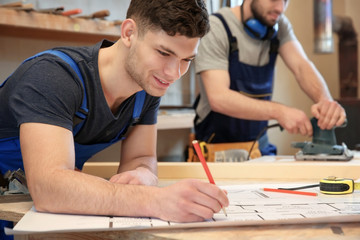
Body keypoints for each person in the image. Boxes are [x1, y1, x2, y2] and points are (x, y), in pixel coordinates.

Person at [0, 0, 229, 238]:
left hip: (29, 207)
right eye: (163, 52)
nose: (173, 72)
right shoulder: (53, 76)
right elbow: (49, 189)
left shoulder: (146, 87)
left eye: (186, 60)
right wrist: (156, 200)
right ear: (129, 32)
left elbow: (142, 157)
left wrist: (143, 174)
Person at [193, 0, 346, 155]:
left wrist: (326, 102)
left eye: (285, 1)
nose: (280, 8)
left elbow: (302, 67)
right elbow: (219, 98)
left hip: (259, 149)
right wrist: (280, 112)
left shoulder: (279, 26)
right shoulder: (216, 27)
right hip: (217, 150)